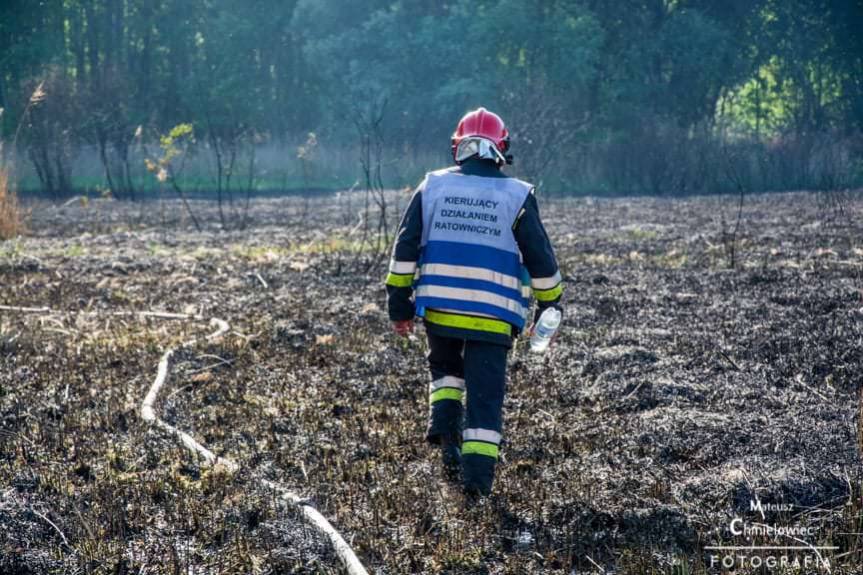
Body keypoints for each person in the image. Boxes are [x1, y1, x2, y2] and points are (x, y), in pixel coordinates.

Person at [385, 107, 563, 497]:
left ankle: (446, 439)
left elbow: (404, 250)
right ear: (502, 148)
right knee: (484, 401)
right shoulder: (517, 195)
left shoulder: (431, 187)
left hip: (441, 310)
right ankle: (477, 487)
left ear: (458, 146)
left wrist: (399, 306)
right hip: (493, 318)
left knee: (446, 373)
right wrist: (550, 306)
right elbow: (541, 261)